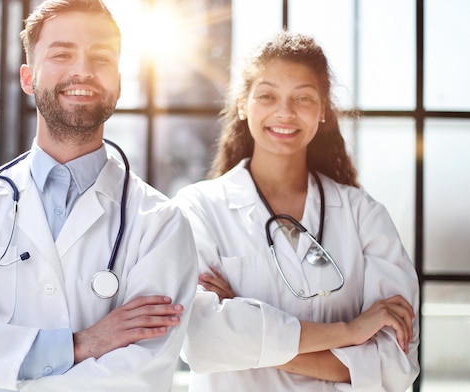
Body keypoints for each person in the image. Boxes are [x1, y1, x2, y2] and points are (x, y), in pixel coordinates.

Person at [0, 1, 197, 391]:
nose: (83, 70)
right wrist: (81, 345)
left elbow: (136, 378)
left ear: (119, 83)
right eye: (62, 53)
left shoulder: (159, 223)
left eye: (101, 57)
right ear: (28, 77)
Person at [173, 31, 420, 391]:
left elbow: (395, 362)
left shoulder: (363, 215)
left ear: (322, 111)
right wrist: (350, 332)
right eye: (268, 96)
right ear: (244, 104)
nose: (285, 113)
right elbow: (200, 339)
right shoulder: (199, 209)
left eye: (303, 98)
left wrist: (247, 333)